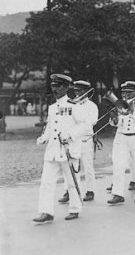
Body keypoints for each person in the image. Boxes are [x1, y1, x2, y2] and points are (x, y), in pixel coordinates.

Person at [33, 74, 82, 224]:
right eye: (53, 86)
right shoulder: (53, 107)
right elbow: (50, 125)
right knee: (46, 182)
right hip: (53, 151)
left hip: (68, 150)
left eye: (59, 86)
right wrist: (44, 137)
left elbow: (85, 126)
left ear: (66, 87)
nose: (55, 89)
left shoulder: (74, 106)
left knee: (72, 182)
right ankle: (46, 212)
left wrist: (71, 135)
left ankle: (74, 209)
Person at [107, 81, 135, 205]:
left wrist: (132, 110)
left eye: (129, 92)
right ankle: (118, 194)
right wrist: (114, 118)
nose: (126, 95)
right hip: (121, 138)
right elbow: (115, 123)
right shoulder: (120, 104)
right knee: (118, 166)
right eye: (124, 92)